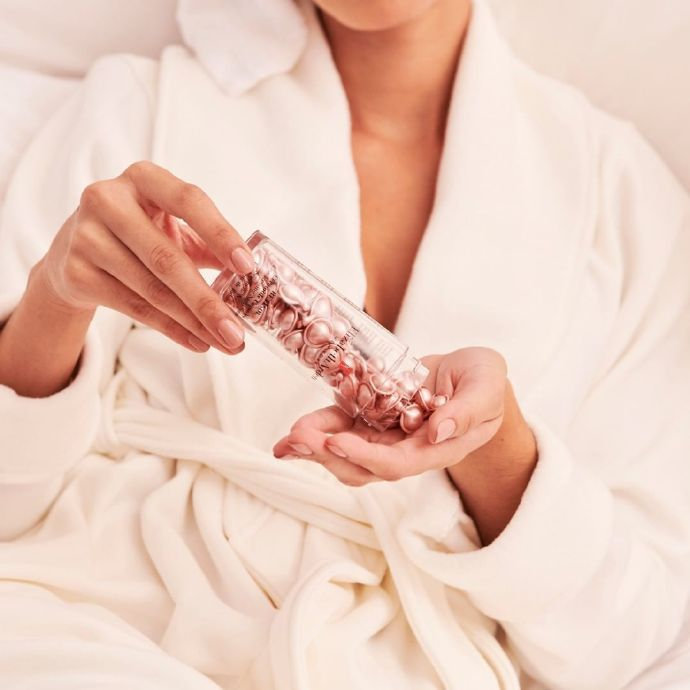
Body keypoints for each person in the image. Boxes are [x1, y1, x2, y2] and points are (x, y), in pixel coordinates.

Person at [0, 0, 689, 688]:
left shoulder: (620, 198)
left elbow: (629, 642)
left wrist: (495, 445)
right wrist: (55, 300)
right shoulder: (141, 107)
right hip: (101, 623)